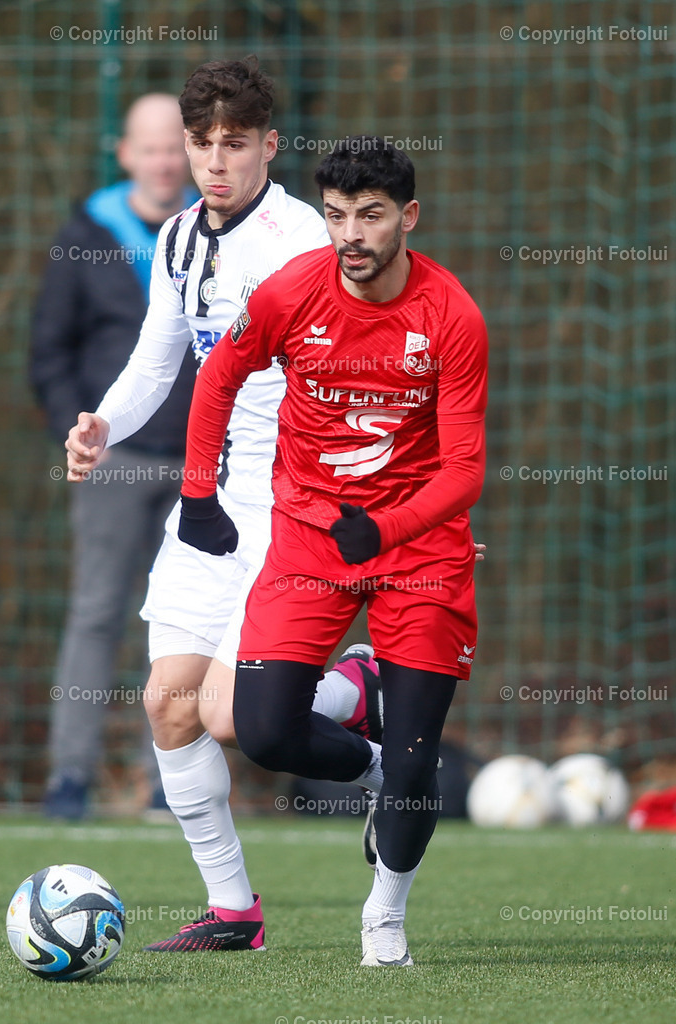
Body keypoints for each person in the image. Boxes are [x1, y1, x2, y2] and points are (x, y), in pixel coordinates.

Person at [65, 58, 385, 952]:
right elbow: (157, 362)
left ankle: (362, 721)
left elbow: (365, 370)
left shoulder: (300, 243)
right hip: (210, 501)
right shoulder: (175, 239)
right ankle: (234, 913)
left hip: (297, 503)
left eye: (233, 144)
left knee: (231, 714)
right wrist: (102, 425)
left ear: (268, 147)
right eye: (202, 143)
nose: (214, 161)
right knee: (170, 702)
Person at [178, 136, 488, 967]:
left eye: (372, 216)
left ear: (408, 218)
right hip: (310, 542)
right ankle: (376, 759)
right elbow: (217, 379)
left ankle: (384, 926)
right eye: (338, 215)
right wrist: (197, 495)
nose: (351, 234)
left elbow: (464, 470)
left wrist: (385, 530)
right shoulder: (292, 291)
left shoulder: (451, 316)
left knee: (426, 765)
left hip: (419, 550)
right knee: (265, 731)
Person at [30, 94, 201, 819]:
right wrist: (77, 431)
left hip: (202, 462)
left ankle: (168, 780)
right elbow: (49, 351)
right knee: (96, 612)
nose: (165, 163)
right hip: (115, 462)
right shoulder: (85, 236)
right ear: (125, 153)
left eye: (176, 149)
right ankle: (69, 778)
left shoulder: (219, 234)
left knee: (183, 623)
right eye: (151, 149)